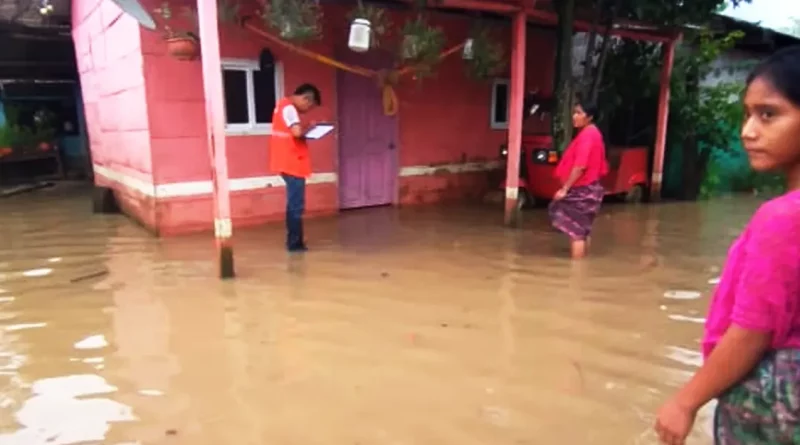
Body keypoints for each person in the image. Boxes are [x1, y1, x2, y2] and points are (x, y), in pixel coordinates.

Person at [654, 46, 800, 445]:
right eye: (747, 115)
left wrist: (686, 401)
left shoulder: (784, 218)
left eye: (768, 114)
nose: (747, 131)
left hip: (771, 402)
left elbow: (752, 331)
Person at [547, 101, 608, 259]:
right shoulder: (593, 133)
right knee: (583, 229)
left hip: (582, 188)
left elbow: (580, 165)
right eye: (574, 112)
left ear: (589, 117)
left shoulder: (588, 135)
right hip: (590, 187)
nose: (574, 116)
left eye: (579, 113)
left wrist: (565, 189)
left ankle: (576, 271)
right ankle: (581, 267)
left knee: (576, 233)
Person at [270, 83, 322, 252]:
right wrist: (310, 129)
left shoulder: (281, 105)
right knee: (296, 205)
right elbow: (297, 133)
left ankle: (294, 240)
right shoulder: (290, 108)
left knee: (293, 203)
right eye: (309, 105)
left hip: (285, 161)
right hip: (292, 163)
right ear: (305, 98)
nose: (307, 109)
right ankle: (295, 244)